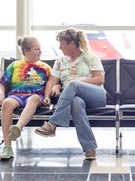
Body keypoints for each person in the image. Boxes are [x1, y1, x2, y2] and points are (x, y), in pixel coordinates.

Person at [34, 28, 106, 160]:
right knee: (76, 103)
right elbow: (51, 81)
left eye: (62, 44)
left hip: (96, 96)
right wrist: (46, 96)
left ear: (72, 43)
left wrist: (78, 81)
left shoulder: (90, 57)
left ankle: (52, 124)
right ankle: (90, 148)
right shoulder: (60, 61)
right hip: (74, 98)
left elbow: (100, 79)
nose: (60, 47)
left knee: (73, 84)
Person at [0, 37, 52, 160]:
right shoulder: (14, 66)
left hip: (35, 96)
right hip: (16, 96)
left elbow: (54, 82)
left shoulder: (45, 67)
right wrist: (1, 95)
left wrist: (50, 93)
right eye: (36, 49)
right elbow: (1, 84)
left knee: (34, 99)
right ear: (26, 51)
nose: (40, 52)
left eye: (40, 49)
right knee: (6, 103)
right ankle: (7, 147)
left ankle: (18, 127)